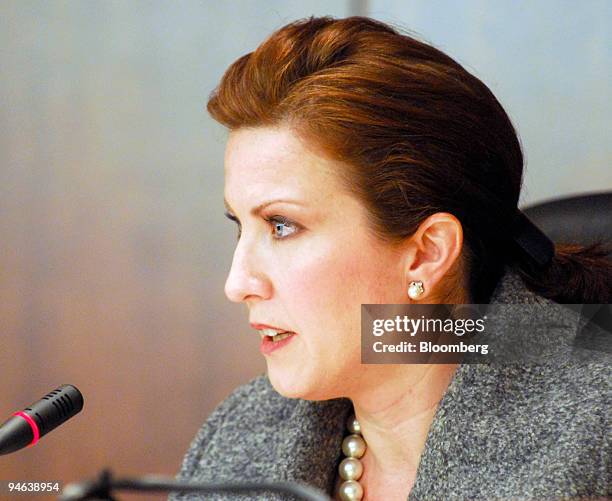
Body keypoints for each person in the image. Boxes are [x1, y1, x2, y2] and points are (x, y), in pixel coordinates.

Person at [170, 16, 612, 501]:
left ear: (426, 254)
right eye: (240, 225)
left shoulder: (595, 445)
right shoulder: (238, 436)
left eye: (281, 226)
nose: (238, 284)